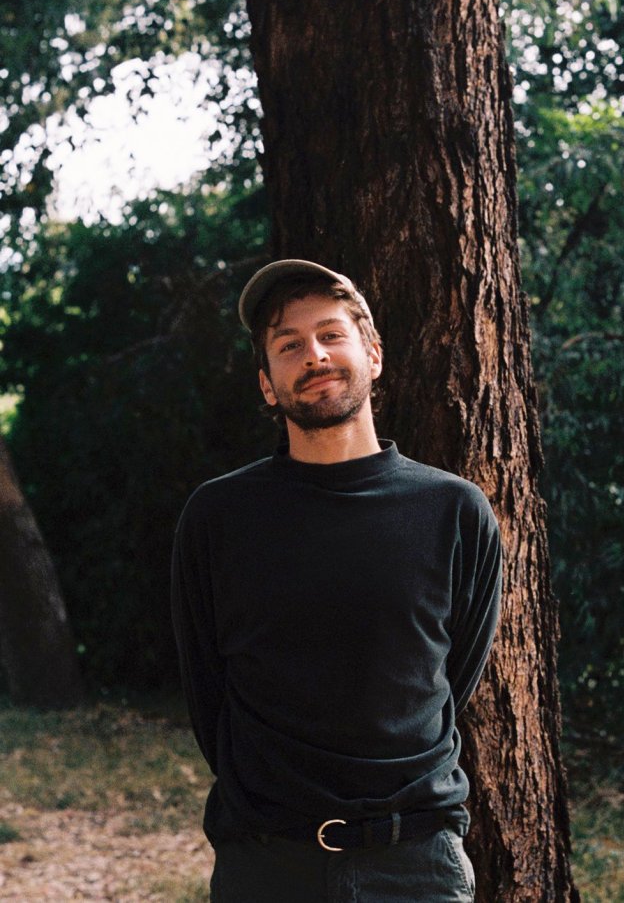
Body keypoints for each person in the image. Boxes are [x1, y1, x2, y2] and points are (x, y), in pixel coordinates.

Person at [171, 259, 502, 902]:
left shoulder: (455, 511)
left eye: (330, 335)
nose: (314, 355)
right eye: (288, 345)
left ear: (373, 356)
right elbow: (207, 692)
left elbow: (455, 677)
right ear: (268, 385)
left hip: (416, 864)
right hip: (267, 863)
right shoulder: (219, 517)